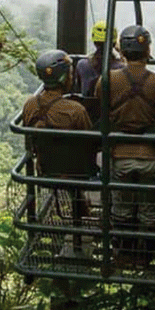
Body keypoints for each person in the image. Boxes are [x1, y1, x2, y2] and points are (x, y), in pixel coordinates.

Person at [95, 25, 155, 261]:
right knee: (150, 210)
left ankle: (124, 252)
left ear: (122, 50)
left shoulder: (108, 80)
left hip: (119, 156)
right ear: (147, 49)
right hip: (151, 157)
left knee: (121, 207)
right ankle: (148, 255)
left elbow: (102, 106)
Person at [23, 49, 94, 258]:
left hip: (45, 170)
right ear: (64, 77)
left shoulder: (29, 104)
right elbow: (90, 141)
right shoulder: (75, 110)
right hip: (76, 173)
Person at [76, 20, 125, 96]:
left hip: (89, 107)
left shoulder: (82, 65)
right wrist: (121, 52)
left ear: (94, 42)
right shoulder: (120, 68)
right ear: (114, 43)